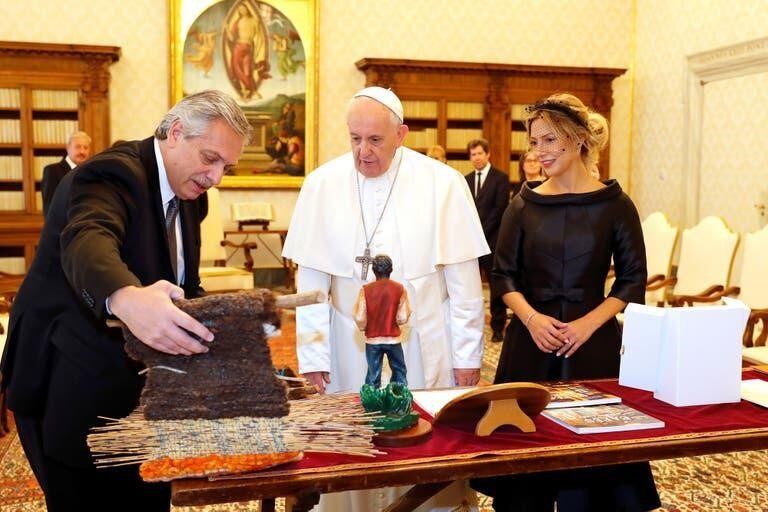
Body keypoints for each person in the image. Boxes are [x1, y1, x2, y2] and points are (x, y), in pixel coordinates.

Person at [0, 90, 251, 511]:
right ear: (175, 133)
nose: (216, 177)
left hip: (140, 396)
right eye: (210, 158)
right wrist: (125, 297)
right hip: (71, 384)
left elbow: (181, 285)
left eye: (226, 166)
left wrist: (224, 324)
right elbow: (88, 240)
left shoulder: (191, 195)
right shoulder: (110, 173)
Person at [283, 86, 489, 512]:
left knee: (425, 448)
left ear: (402, 134)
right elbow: (312, 285)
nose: (363, 151)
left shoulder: (444, 184)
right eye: (354, 138)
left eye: (375, 140)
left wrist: (468, 357)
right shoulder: (322, 184)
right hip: (347, 346)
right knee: (352, 451)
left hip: (422, 344)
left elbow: (465, 286)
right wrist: (314, 356)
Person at [473, 93, 660, 511]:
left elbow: (632, 280)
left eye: (548, 141)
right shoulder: (522, 205)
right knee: (527, 468)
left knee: (594, 471)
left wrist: (587, 324)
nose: (538, 152)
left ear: (577, 140)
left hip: (591, 344)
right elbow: (503, 274)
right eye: (534, 142)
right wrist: (533, 319)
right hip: (529, 344)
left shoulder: (616, 205)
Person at [465, 138, 510, 342]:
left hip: (492, 241)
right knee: (470, 286)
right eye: (473, 154)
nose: (476, 158)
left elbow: (499, 209)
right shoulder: (465, 180)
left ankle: (498, 326)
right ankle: (472, 327)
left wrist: (479, 231)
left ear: (488, 154)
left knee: (495, 286)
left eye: (480, 153)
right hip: (471, 245)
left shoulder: (500, 178)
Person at [353, 254, 411, 388]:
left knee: (373, 373)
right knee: (399, 370)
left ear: (374, 270)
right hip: (393, 339)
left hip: (373, 340)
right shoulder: (400, 288)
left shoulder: (365, 290)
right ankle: (398, 396)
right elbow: (403, 316)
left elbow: (360, 317)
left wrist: (364, 327)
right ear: (390, 269)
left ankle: (372, 400)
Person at [41, 130, 91, 215]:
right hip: (63, 227)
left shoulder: (91, 173)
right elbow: (49, 208)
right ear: (68, 148)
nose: (82, 152)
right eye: (78, 147)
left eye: (85, 148)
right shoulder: (52, 171)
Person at [225, 3, 269, 100]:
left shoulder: (253, 21)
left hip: (248, 47)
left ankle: (252, 90)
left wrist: (258, 51)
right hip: (238, 47)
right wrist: (227, 29)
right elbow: (232, 38)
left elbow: (259, 33)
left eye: (243, 8)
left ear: (247, 9)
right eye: (240, 10)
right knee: (237, 69)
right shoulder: (238, 22)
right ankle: (245, 91)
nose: (242, 11)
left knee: (247, 70)